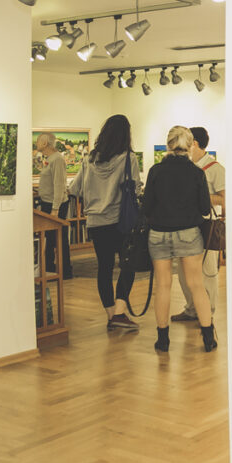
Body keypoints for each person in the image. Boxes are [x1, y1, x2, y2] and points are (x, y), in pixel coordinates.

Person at [144, 126, 216, 352]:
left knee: (163, 285)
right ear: (190, 145)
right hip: (188, 233)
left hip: (158, 233)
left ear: (169, 144)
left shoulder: (156, 171)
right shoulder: (196, 173)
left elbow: (146, 207)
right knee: (196, 285)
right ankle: (208, 338)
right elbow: (204, 208)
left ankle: (163, 340)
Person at [68, 114, 139, 331]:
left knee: (104, 268)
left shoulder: (89, 160)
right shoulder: (129, 158)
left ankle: (111, 315)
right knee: (128, 265)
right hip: (120, 221)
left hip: (95, 223)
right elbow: (135, 189)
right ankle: (119, 312)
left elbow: (75, 189)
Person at [170, 126, 225, 323]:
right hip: (185, 225)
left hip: (206, 225)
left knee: (207, 272)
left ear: (194, 144)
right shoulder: (185, 168)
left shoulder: (215, 168)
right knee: (183, 271)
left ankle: (206, 312)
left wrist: (199, 195)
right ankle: (191, 309)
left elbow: (224, 199)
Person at [36, 132, 73, 279]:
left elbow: (59, 185)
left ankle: (65, 271)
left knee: (59, 238)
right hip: (48, 203)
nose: (37, 143)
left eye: (38, 141)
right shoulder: (50, 159)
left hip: (55, 205)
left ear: (45, 143)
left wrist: (55, 209)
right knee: (51, 239)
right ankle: (51, 269)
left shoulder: (57, 159)